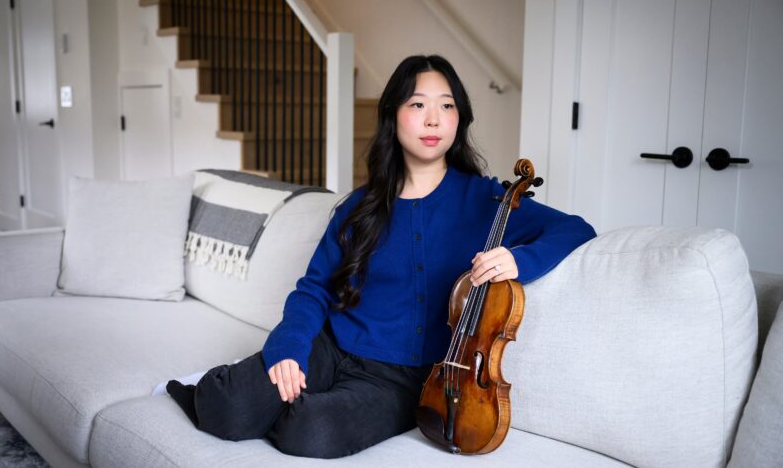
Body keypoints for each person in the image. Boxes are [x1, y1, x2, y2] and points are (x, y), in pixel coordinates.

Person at [167, 54, 596, 458]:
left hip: (399, 381)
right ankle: (232, 386)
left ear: (459, 118)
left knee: (310, 431)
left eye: (446, 105)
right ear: (393, 114)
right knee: (227, 407)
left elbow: (575, 228)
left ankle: (285, 404)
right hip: (329, 347)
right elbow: (313, 290)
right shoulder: (361, 206)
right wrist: (290, 349)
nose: (433, 119)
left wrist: (520, 261)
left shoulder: (490, 200)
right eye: (418, 104)